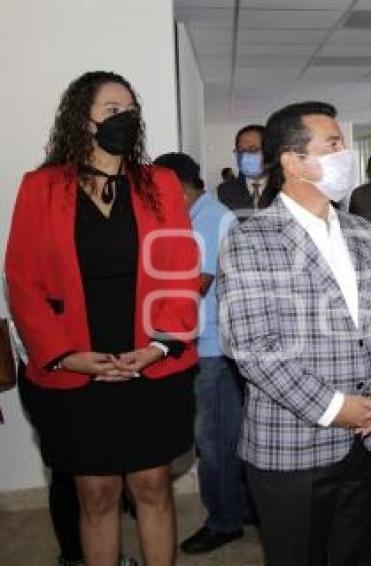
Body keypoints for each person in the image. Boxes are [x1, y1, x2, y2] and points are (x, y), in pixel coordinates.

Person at [6, 71, 199, 566]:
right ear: (82, 119)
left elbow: (181, 271)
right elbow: (22, 280)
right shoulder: (41, 187)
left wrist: (159, 346)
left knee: (152, 485)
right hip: (78, 365)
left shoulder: (160, 183)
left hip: (149, 360)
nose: (125, 117)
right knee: (95, 493)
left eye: (131, 109)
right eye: (113, 110)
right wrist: (66, 356)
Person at [217, 101, 371, 566]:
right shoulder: (251, 238)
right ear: (293, 161)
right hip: (293, 447)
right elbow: (252, 348)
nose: (345, 154)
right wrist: (336, 408)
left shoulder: (361, 233)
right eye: (334, 144)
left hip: (368, 437)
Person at [152, 153, 248, 555]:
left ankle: (225, 521)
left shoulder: (210, 218)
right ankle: (240, 508)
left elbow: (197, 284)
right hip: (201, 344)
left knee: (214, 442)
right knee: (225, 436)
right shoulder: (189, 217)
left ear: (178, 185)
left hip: (212, 349)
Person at [217, 124, 266, 219]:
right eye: (241, 150)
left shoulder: (286, 189)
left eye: (253, 149)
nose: (245, 156)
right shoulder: (225, 191)